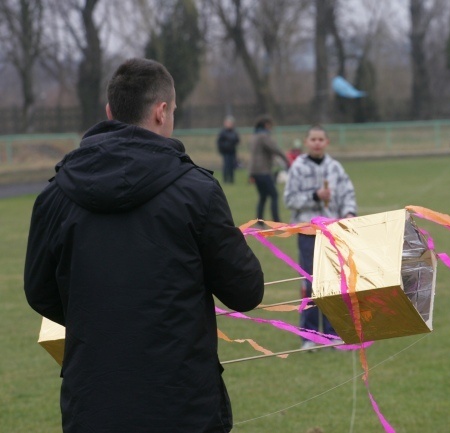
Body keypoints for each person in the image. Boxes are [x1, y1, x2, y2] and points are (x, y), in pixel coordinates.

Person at [23, 58, 264, 433]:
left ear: (109, 112)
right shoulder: (196, 192)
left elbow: (41, 293)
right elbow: (246, 289)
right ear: (161, 111)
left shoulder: (53, 197)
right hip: (180, 406)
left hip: (98, 404)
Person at [284, 125, 357, 350]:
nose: (316, 143)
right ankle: (310, 336)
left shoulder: (335, 167)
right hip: (307, 231)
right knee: (312, 282)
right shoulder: (297, 168)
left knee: (333, 283)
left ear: (326, 142)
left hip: (332, 232)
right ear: (306, 142)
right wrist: (314, 196)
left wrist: (349, 213)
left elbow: (347, 193)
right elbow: (290, 199)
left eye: (320, 139)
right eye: (313, 139)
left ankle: (334, 333)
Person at [249, 115, 289, 222]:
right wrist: (286, 159)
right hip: (263, 171)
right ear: (266, 125)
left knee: (263, 196)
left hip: (254, 171)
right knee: (274, 195)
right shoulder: (263, 136)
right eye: (270, 126)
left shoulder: (254, 136)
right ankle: (276, 221)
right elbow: (275, 148)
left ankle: (259, 221)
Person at [216, 115, 240, 183]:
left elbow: (237, 140)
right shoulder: (223, 132)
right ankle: (225, 180)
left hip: (232, 151)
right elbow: (219, 142)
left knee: (232, 166)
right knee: (226, 166)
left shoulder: (234, 132)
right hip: (225, 152)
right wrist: (225, 146)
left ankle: (231, 180)